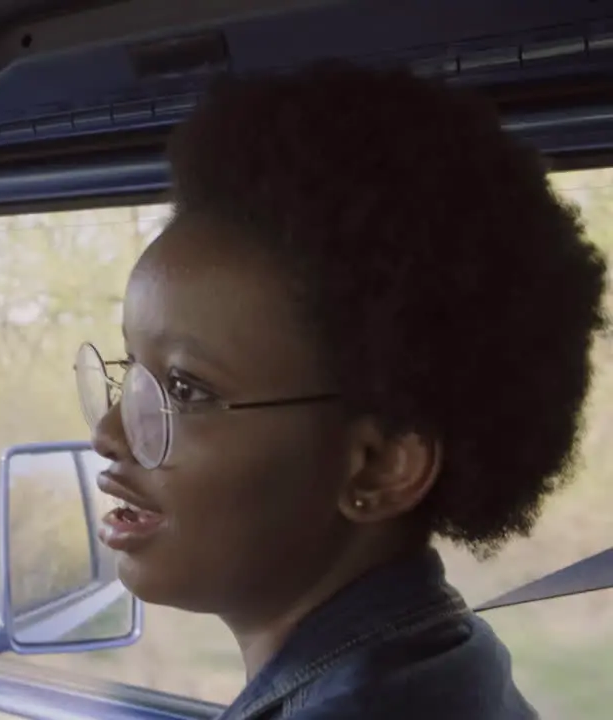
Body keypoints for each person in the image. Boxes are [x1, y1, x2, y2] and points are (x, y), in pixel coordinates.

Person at [75, 61, 608, 719]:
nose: (109, 433)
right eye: (130, 372)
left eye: (185, 390)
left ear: (379, 466)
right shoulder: (448, 657)